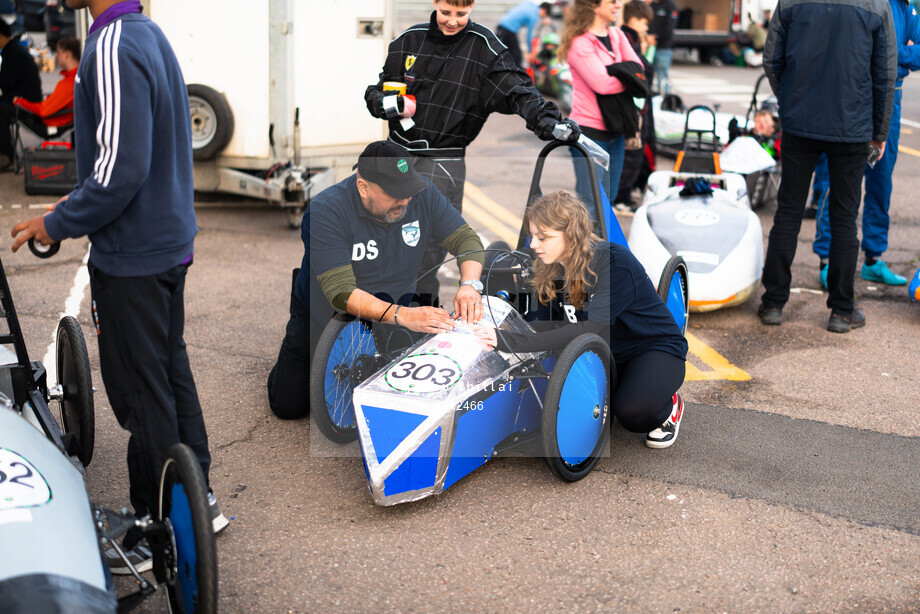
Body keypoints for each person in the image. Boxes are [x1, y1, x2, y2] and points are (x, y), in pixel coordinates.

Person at [10, 0, 227, 573]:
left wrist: (54, 221)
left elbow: (116, 171)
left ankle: (158, 527)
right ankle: (197, 497)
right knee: (168, 367)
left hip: (135, 253)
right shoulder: (147, 33)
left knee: (139, 390)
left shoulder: (109, 46)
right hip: (168, 240)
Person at [365, 0, 576, 309]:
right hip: (395, 158)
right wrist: (391, 104)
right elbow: (376, 94)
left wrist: (551, 122)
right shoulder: (408, 40)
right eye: (446, 12)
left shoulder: (484, 48)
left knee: (425, 255)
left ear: (472, 7)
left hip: (443, 163)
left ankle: (418, 329)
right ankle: (377, 326)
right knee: (381, 247)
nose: (452, 21)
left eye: (461, 14)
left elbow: (519, 92)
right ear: (435, 3)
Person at [266, 141, 486, 421]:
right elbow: (341, 292)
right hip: (327, 316)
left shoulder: (422, 195)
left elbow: (466, 238)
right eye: (395, 193)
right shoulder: (325, 210)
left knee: (406, 398)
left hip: (394, 313)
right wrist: (405, 316)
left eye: (408, 190)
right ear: (363, 187)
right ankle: (293, 358)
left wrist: (469, 284)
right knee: (288, 406)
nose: (406, 200)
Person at [473, 191, 688, 448]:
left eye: (543, 238)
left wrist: (509, 340)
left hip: (651, 348)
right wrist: (501, 325)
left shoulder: (614, 262)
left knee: (632, 414)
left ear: (571, 235)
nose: (532, 245)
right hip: (607, 352)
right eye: (533, 236)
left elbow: (591, 329)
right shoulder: (551, 264)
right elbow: (550, 322)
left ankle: (670, 406)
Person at [759, 0, 896, 333]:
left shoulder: (790, 2)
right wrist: (878, 132)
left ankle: (774, 302)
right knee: (845, 217)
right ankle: (841, 310)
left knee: (788, 211)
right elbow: (884, 73)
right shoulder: (877, 6)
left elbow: (772, 59)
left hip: (800, 122)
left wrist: (790, 100)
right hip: (851, 127)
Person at [812, 0, 920, 290]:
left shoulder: (906, 7)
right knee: (835, 179)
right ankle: (826, 259)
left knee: (880, 183)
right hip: (852, 96)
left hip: (891, 98)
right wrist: (901, 53)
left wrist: (895, 53)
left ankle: (873, 259)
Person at [560, 0, 643, 208]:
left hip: (617, 129)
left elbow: (640, 71)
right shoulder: (580, 43)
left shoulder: (617, 35)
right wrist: (626, 74)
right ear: (593, 5)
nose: (617, 6)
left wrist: (619, 72)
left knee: (609, 200)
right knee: (590, 204)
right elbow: (603, 84)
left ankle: (602, 242)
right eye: (612, 2)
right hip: (590, 134)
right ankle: (588, 242)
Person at [615, 0, 655, 210]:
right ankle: (621, 197)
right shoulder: (626, 37)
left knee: (635, 151)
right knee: (632, 152)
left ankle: (624, 193)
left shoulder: (630, 37)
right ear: (634, 20)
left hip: (636, 104)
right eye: (644, 22)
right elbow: (638, 69)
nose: (647, 27)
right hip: (634, 106)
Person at [8, 37, 79, 139]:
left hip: (51, 123)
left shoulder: (68, 83)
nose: (56, 56)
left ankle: (4, 152)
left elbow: (44, 111)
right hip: (59, 120)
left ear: (67, 54)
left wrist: (20, 102)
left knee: (5, 110)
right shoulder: (76, 78)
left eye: (59, 53)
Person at [0, 17, 42, 168]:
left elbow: (8, 82)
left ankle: (6, 155)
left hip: (27, 105)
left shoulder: (12, 53)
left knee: (0, 110)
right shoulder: (14, 49)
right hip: (27, 100)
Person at [496, 1, 553, 69]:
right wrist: (530, 51)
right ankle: (517, 74)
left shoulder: (529, 4)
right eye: (543, 16)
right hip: (507, 29)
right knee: (515, 55)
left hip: (505, 26)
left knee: (512, 53)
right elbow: (529, 35)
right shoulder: (534, 16)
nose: (541, 17)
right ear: (544, 10)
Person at [648, 0, 677, 95]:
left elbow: (669, 29)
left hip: (663, 48)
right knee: (647, 75)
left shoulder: (670, 6)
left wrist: (655, 37)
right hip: (649, 47)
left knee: (662, 76)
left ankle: (664, 99)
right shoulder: (651, 6)